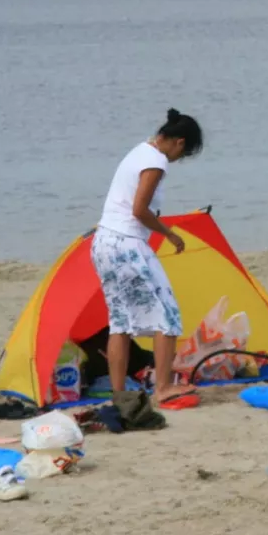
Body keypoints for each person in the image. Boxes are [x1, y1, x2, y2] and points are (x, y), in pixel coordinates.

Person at [93, 109, 203, 405]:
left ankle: (119, 394)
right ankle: (164, 387)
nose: (178, 159)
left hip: (103, 242)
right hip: (127, 244)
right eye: (184, 153)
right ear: (179, 143)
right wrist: (169, 233)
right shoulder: (156, 161)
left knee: (119, 322)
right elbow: (139, 210)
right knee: (167, 315)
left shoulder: (139, 151)